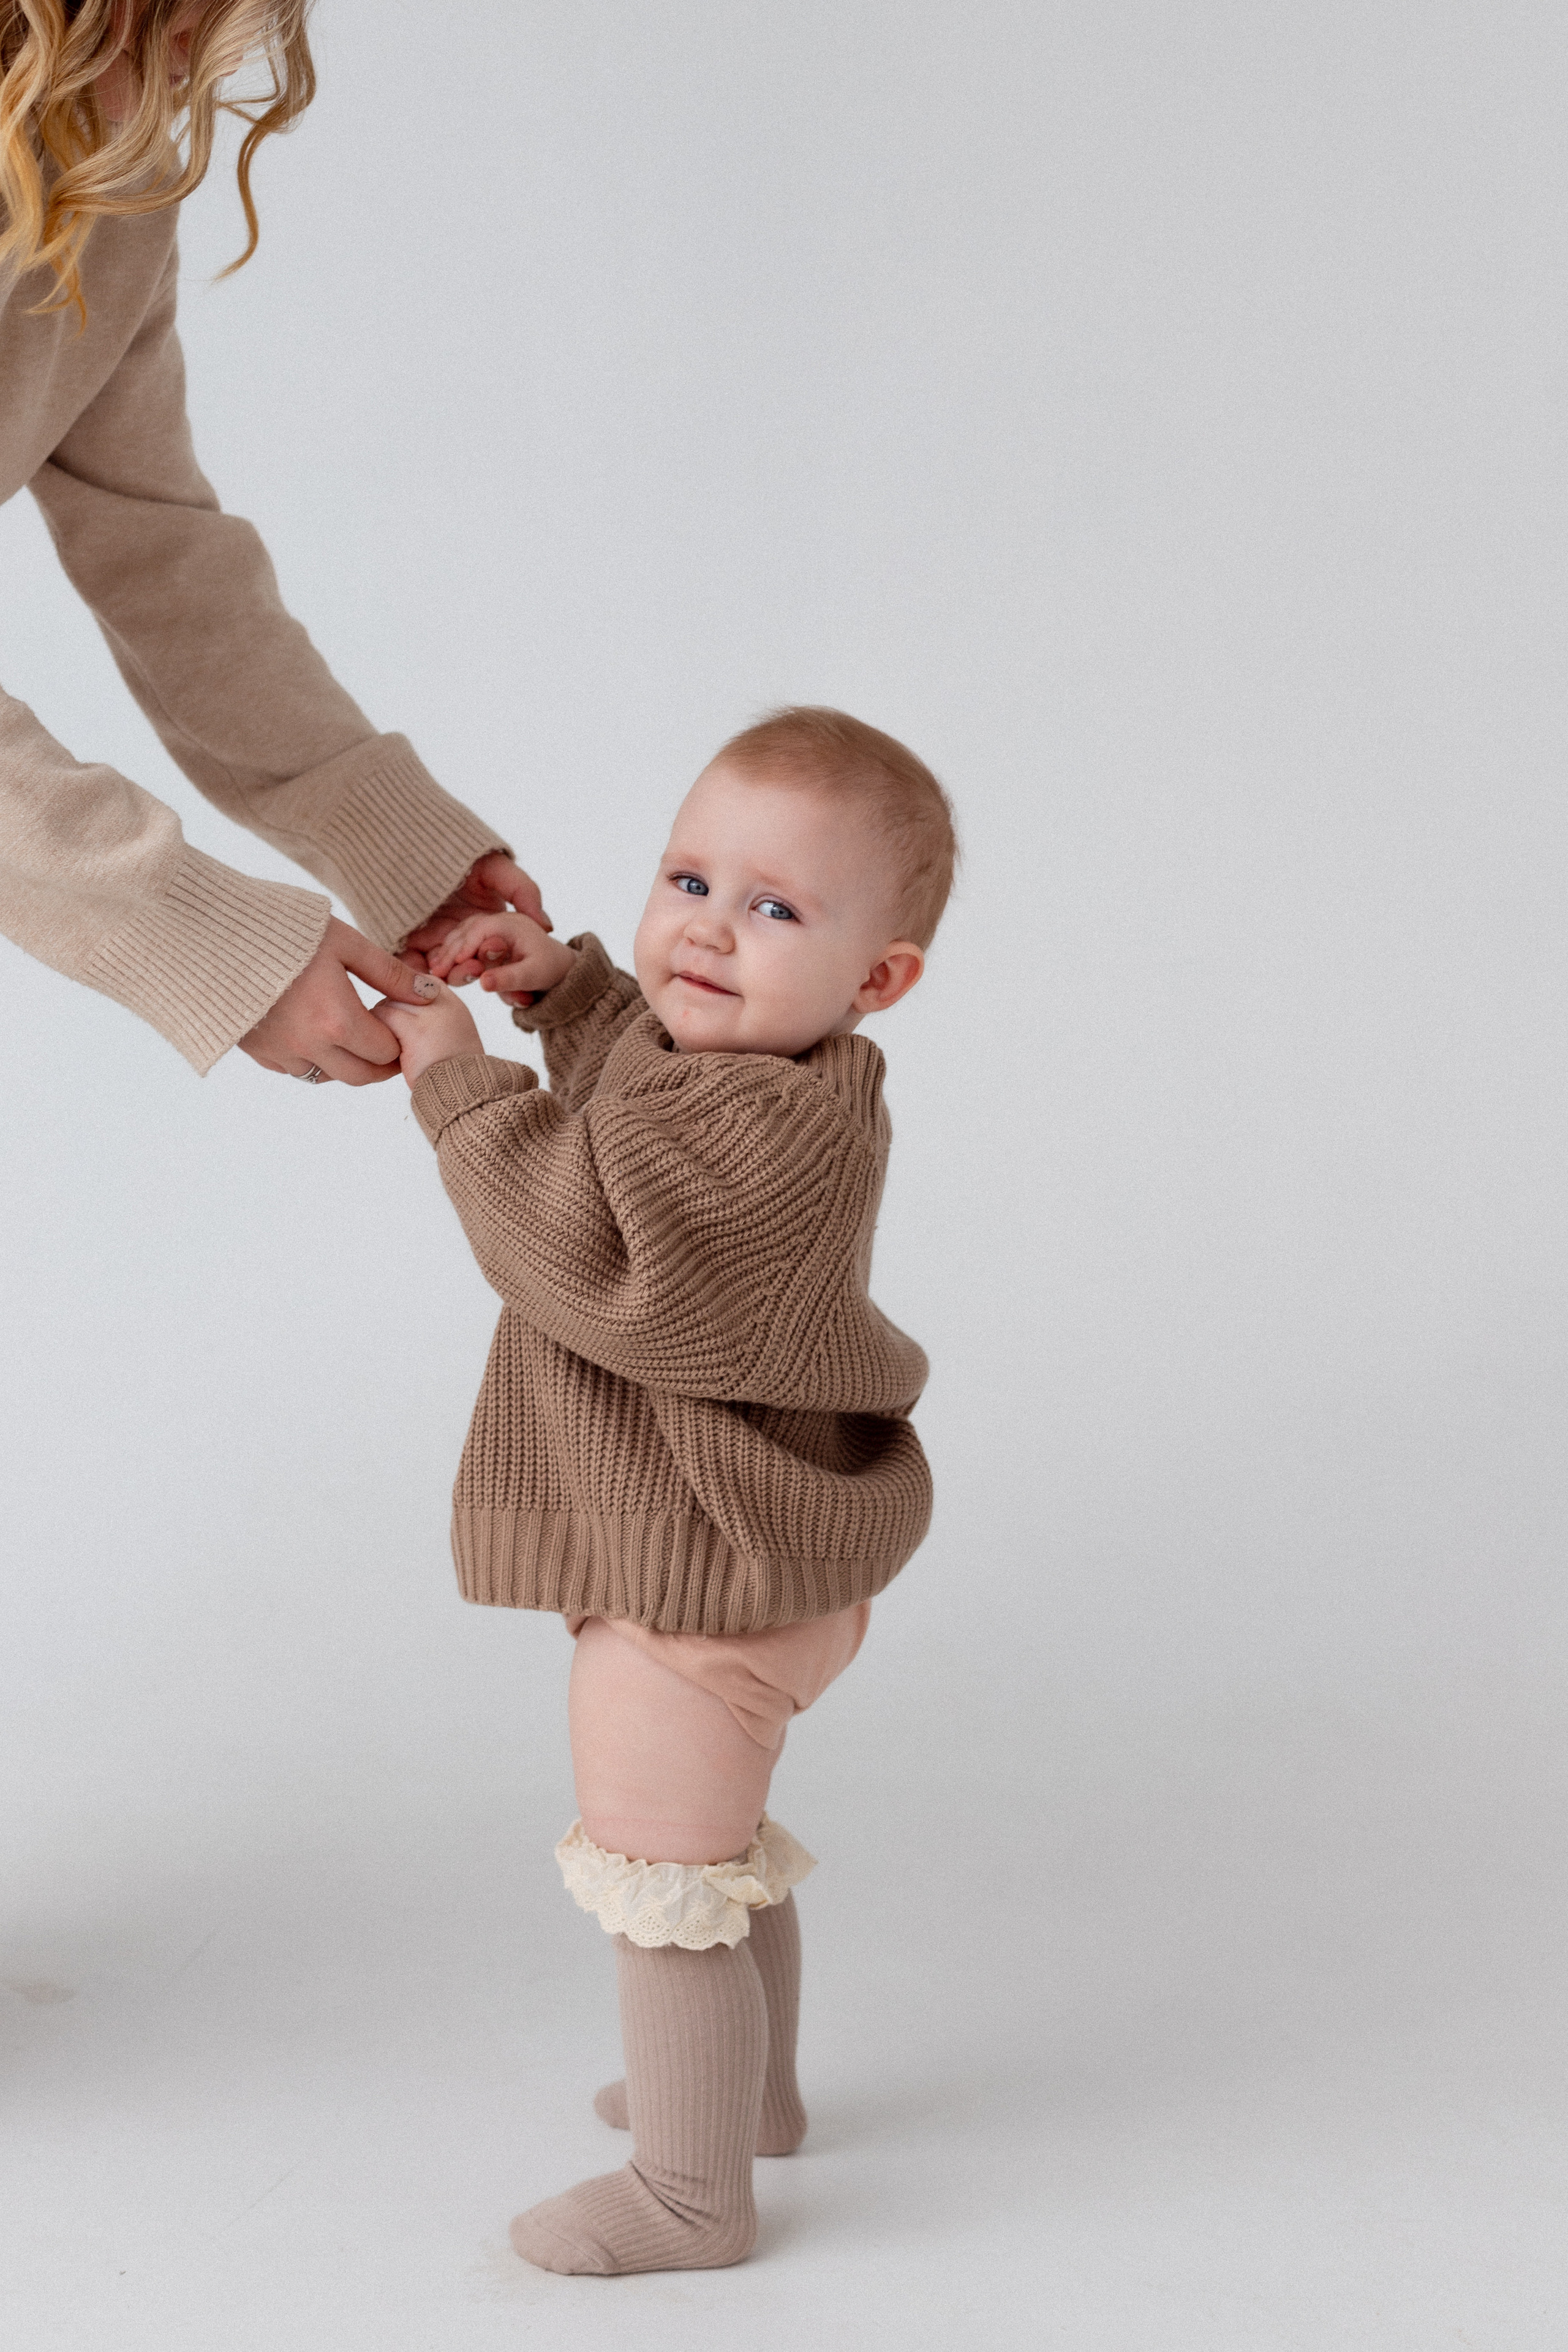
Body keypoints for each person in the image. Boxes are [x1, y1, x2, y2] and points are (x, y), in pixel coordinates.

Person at [374, 705, 957, 2275]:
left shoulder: (763, 1132)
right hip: (749, 1556)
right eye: (688, 880)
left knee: (660, 1875)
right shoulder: (768, 1067)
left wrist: (461, 1091)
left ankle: (690, 2194)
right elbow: (644, 1080)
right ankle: (747, 2096)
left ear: (877, 978)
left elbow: (595, 1254)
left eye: (771, 908)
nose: (705, 930)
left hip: (696, 1584)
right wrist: (563, 991)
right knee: (716, 1843)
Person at [0, 0, 541, 1084]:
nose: (208, 60)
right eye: (179, 26)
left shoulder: (114, 181)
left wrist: (393, 842)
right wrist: (208, 939)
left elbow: (160, 550)